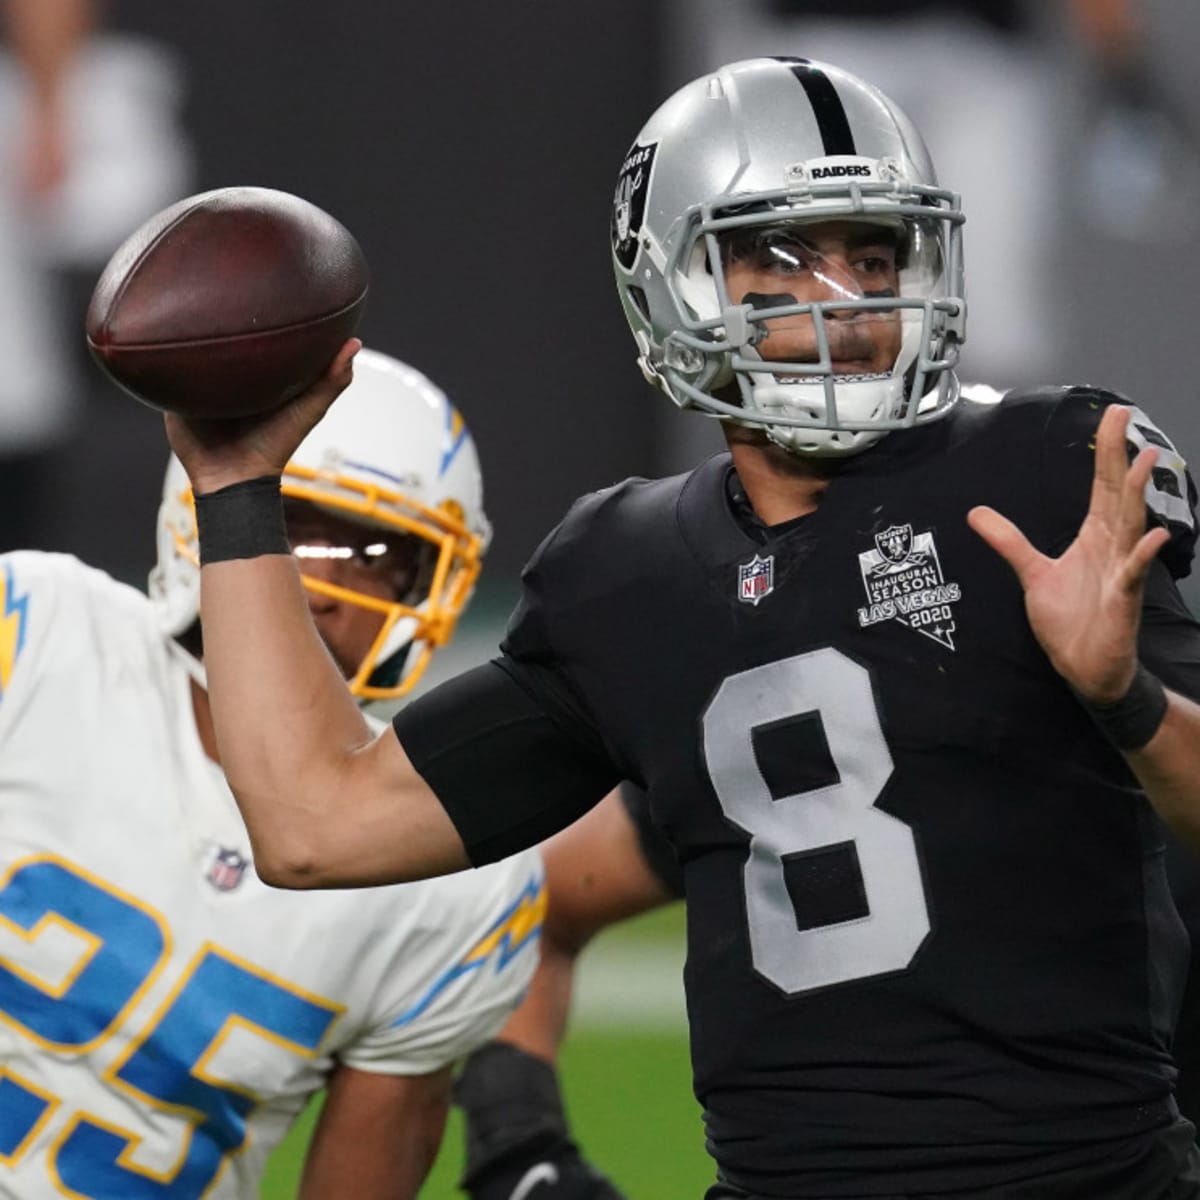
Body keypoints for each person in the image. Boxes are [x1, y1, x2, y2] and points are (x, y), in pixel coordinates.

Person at [164, 58, 1200, 1198]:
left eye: (875, 255)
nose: (848, 304)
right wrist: (235, 483)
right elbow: (318, 823)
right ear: (675, 283)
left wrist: (1126, 700)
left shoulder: (1050, 469)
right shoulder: (627, 571)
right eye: (788, 259)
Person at [0, 347, 545, 1199]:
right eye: (291, 527)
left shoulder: (453, 881)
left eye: (373, 553)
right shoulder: (32, 635)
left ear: (434, 584)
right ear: (199, 515)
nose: (322, 587)